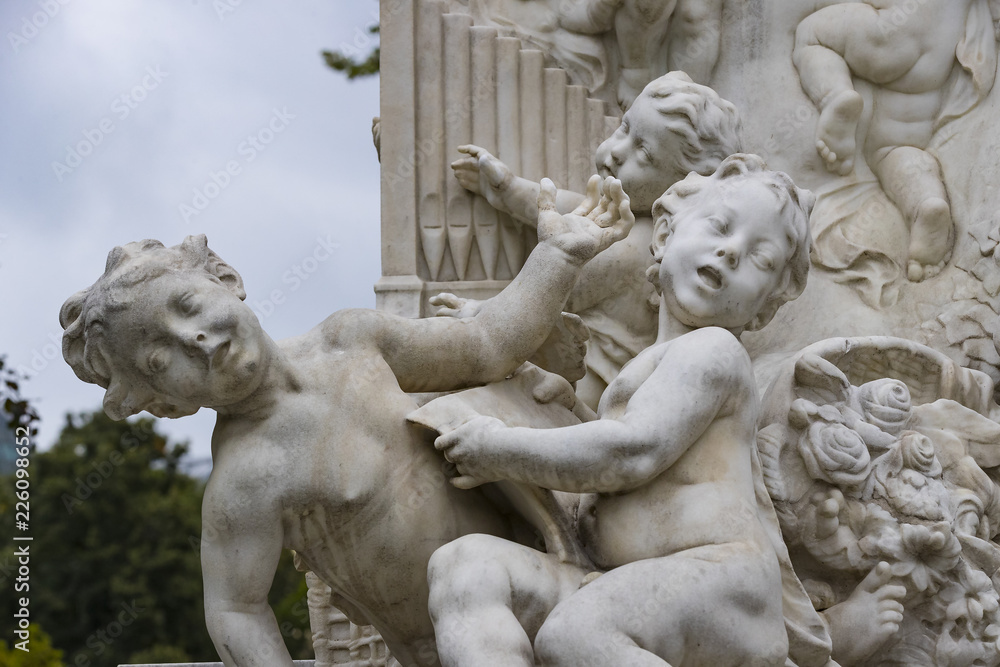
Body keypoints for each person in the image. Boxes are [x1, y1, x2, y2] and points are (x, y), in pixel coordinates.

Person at [58, 178, 632, 667]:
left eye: (186, 305)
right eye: (163, 361)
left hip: (553, 560)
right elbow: (236, 608)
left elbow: (487, 345)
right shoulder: (246, 479)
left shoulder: (354, 339)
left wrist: (558, 255)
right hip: (455, 645)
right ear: (165, 403)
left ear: (224, 279)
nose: (198, 342)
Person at [428, 154, 838, 667]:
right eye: (720, 226)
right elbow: (611, 455)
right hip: (622, 582)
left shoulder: (714, 352)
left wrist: (500, 449)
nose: (731, 251)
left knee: (577, 633)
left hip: (719, 579)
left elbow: (631, 453)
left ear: (765, 309)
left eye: (761, 259)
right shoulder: (650, 364)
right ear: (664, 235)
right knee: (465, 567)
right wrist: (539, 387)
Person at [444, 71, 741, 409]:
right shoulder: (641, 218)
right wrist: (509, 188)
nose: (615, 152)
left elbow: (545, 293)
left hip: (584, 390)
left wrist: (479, 313)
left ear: (682, 185)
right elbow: (574, 208)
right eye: (625, 129)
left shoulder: (640, 248)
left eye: (643, 154)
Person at [792, 0, 999, 281]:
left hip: (888, 33)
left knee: (811, 36)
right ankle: (926, 202)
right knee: (893, 151)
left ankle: (836, 95)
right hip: (932, 70)